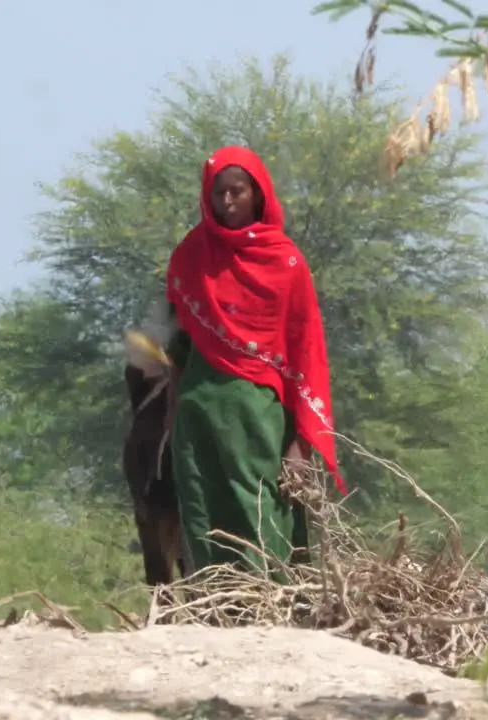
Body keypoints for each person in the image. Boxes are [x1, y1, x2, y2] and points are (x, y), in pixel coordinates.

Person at [164, 146, 345, 579]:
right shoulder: (191, 256)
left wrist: (300, 445)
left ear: (258, 194)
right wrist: (173, 417)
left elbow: (307, 355)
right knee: (203, 516)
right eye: (217, 193)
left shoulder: (287, 263)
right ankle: (214, 613)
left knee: (263, 514)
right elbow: (176, 348)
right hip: (198, 416)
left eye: (237, 191)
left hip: (260, 421)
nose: (227, 202)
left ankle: (273, 617)